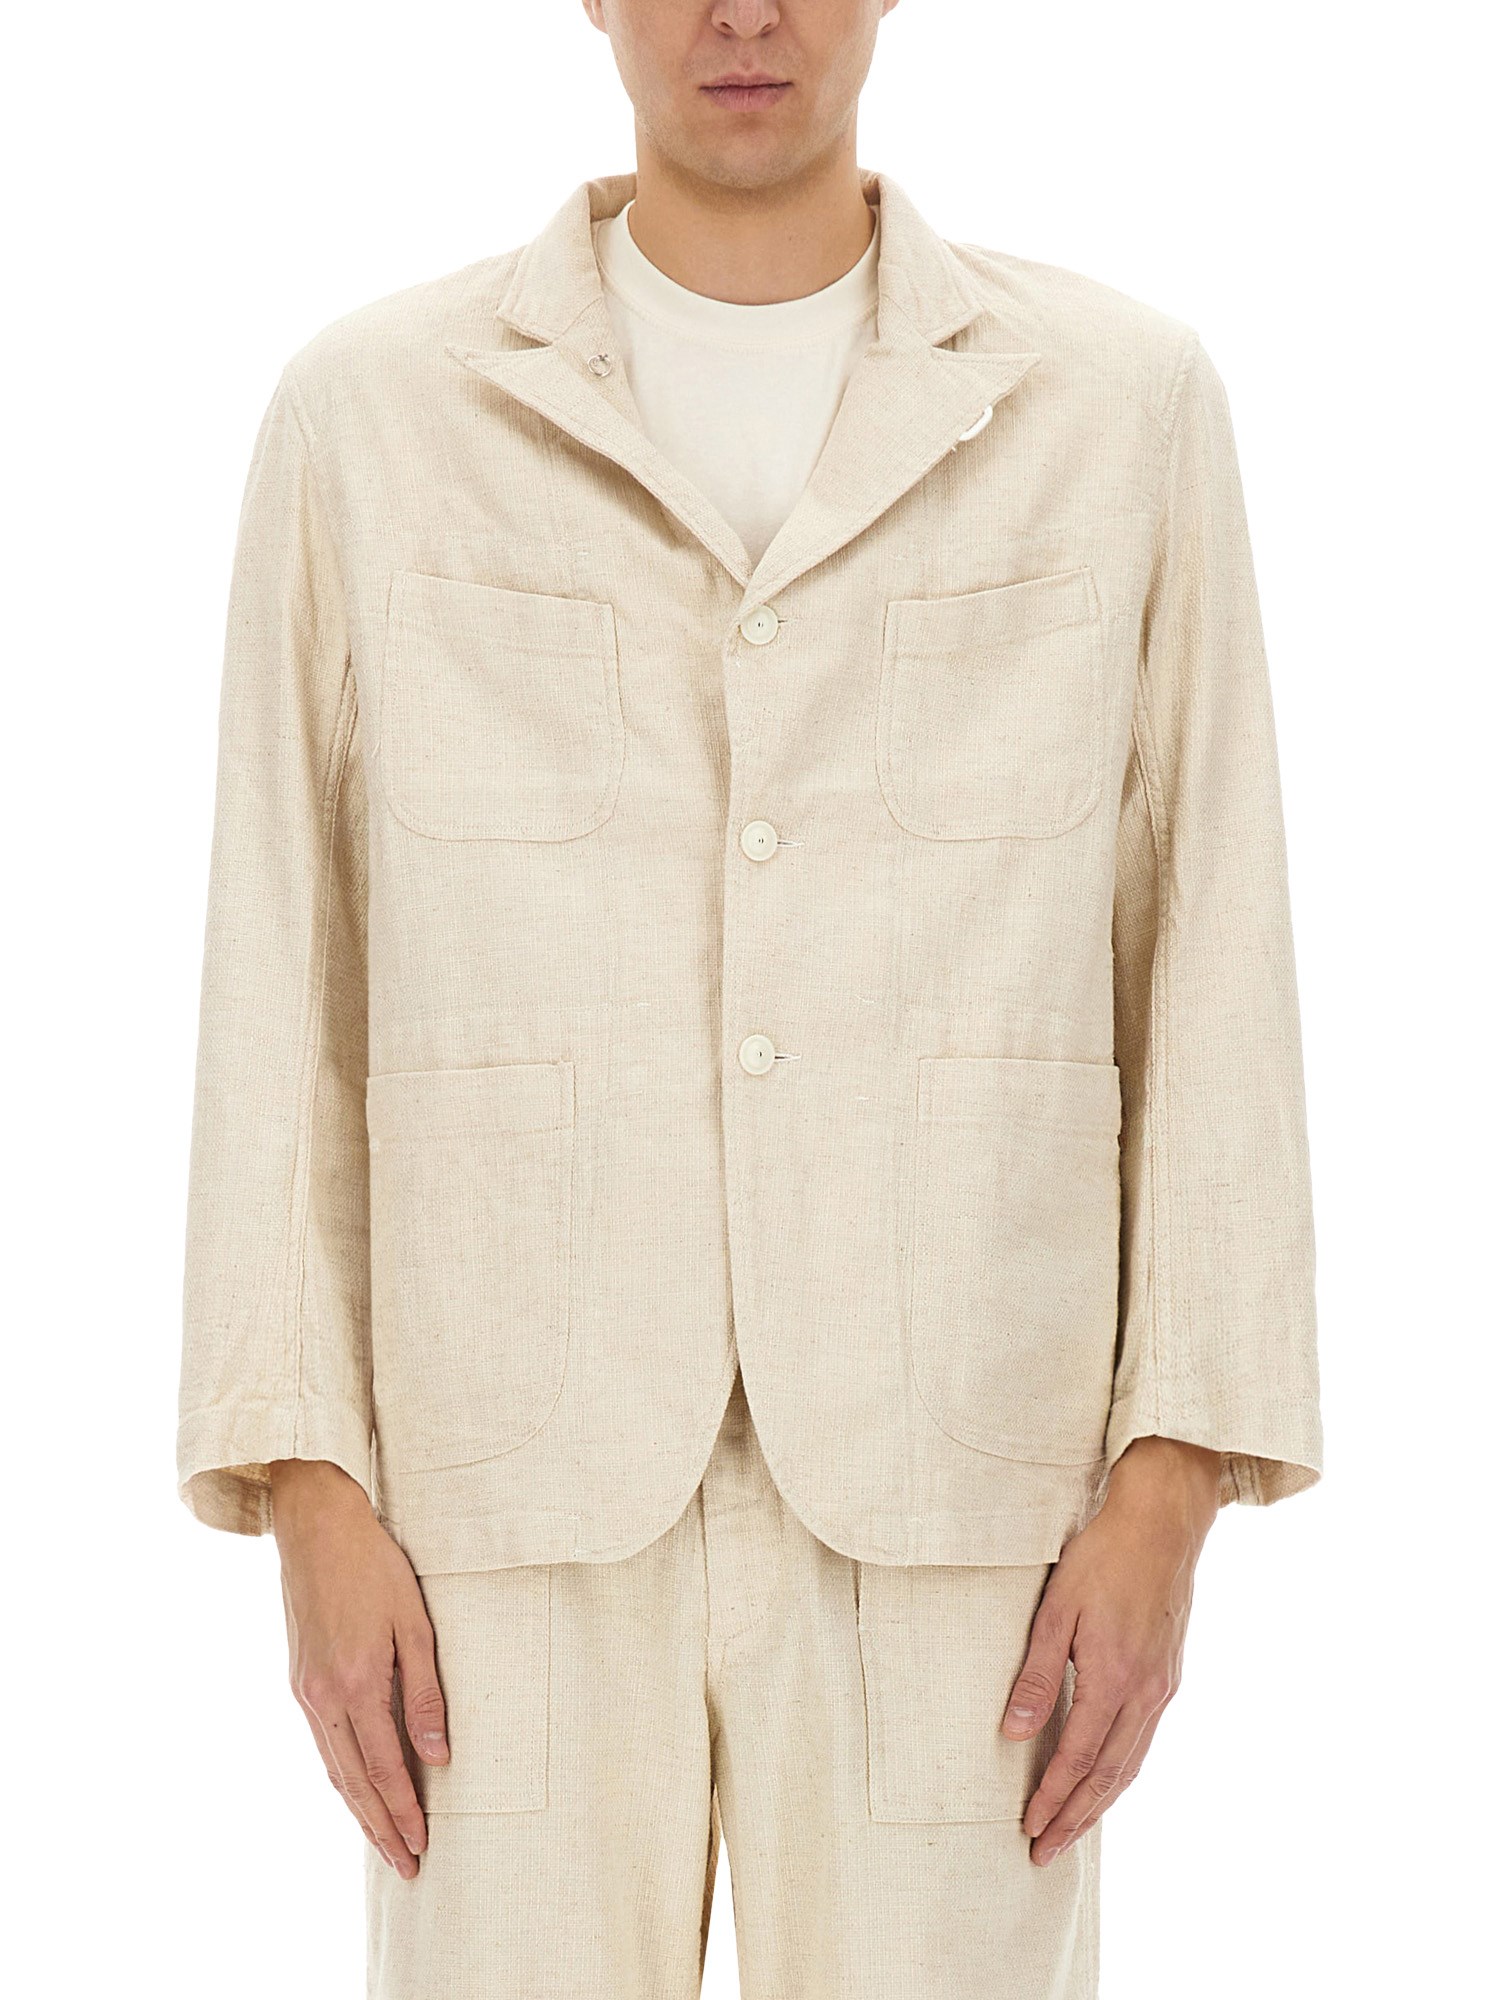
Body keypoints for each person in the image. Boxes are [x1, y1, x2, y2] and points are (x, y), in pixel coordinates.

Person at [175, 3, 1323, 1994]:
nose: (744, 12)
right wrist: (304, 1482)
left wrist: (1175, 1477)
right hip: (497, 1492)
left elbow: (1211, 929)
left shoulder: (1117, 406)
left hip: (967, 1482)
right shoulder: (372, 418)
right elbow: (283, 949)